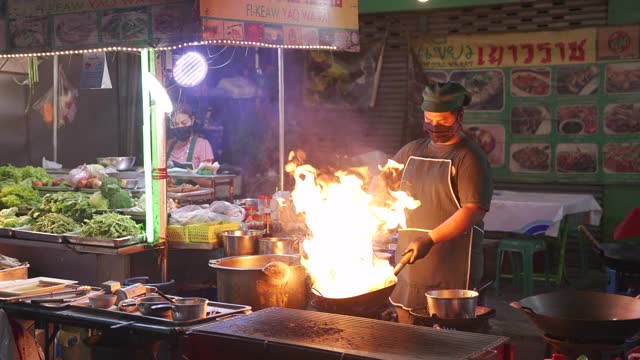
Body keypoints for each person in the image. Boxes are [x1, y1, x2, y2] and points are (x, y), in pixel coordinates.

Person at [388, 82, 493, 324]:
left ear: (460, 115)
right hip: (409, 265)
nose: (435, 126)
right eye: (429, 118)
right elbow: (383, 185)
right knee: (405, 342)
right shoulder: (410, 151)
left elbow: (473, 210)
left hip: (451, 267)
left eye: (443, 120)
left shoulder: (469, 157)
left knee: (443, 342)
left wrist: (429, 239)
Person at [167, 104, 215, 170]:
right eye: (176, 124)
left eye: (184, 123)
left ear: (192, 120)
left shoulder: (203, 145)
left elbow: (208, 179)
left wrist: (189, 174)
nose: (180, 127)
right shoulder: (167, 145)